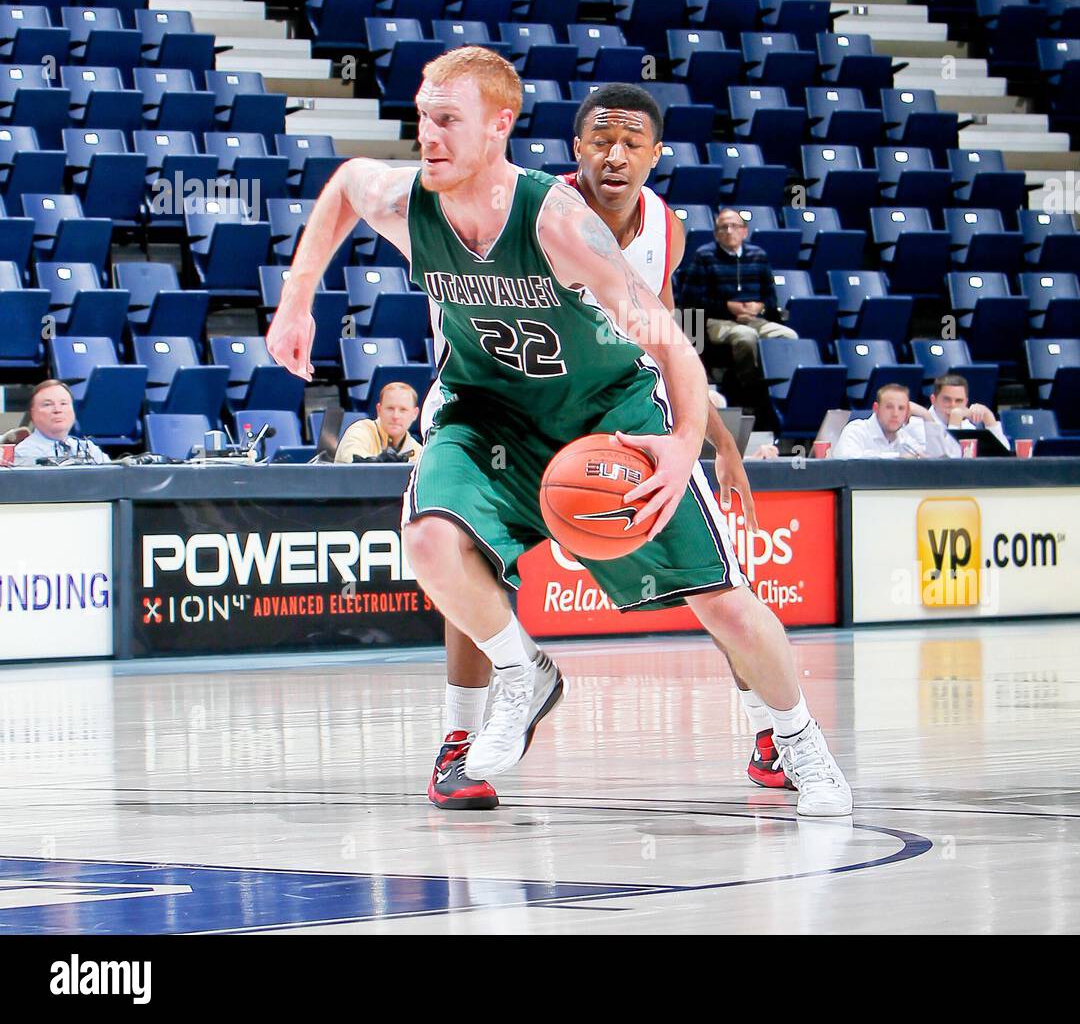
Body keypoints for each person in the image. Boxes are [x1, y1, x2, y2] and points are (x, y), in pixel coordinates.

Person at [267, 48, 851, 817]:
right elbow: (344, 186)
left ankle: (798, 740)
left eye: (448, 121)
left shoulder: (563, 224)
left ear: (500, 126)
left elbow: (670, 340)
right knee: (432, 543)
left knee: (724, 602)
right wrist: (296, 298)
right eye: (422, 119)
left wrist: (687, 447)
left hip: (609, 416)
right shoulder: (409, 200)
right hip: (486, 410)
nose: (429, 136)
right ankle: (521, 675)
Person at [424, 82, 781, 809]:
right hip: (506, 406)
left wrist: (718, 442)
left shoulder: (665, 228)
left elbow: (667, 344)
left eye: (631, 144)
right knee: (464, 557)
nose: (614, 157)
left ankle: (771, 732)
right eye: (600, 141)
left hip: (614, 409)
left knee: (716, 581)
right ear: (576, 148)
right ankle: (462, 740)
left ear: (656, 155)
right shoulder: (528, 211)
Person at [679, 207, 798, 411]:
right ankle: (751, 392)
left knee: (789, 336)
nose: (728, 231)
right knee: (746, 337)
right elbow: (692, 300)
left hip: (754, 317)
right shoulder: (705, 256)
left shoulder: (758, 256)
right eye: (723, 227)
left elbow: (770, 297)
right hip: (717, 321)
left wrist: (759, 307)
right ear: (716, 234)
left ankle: (781, 393)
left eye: (734, 226)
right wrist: (727, 307)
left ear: (744, 231)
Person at [830, 383, 959, 459]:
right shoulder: (856, 429)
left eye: (901, 408)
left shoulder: (904, 437)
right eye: (889, 407)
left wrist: (926, 416)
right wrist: (897, 457)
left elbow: (938, 459)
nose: (895, 414)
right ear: (876, 408)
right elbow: (847, 458)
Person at [13, 381, 110, 465]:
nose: (58, 410)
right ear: (32, 414)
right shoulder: (24, 453)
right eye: (48, 404)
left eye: (63, 403)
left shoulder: (89, 449)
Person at [335, 382, 423, 463]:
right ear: (379, 409)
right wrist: (379, 462)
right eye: (390, 408)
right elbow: (352, 459)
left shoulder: (418, 451)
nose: (395, 416)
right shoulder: (360, 431)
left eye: (403, 410)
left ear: (415, 414)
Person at [931, 372, 1010, 450]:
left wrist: (989, 419)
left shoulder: (967, 425)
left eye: (958, 401)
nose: (953, 406)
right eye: (947, 399)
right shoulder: (922, 425)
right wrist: (955, 422)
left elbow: (1005, 454)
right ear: (933, 400)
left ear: (966, 402)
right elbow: (949, 458)